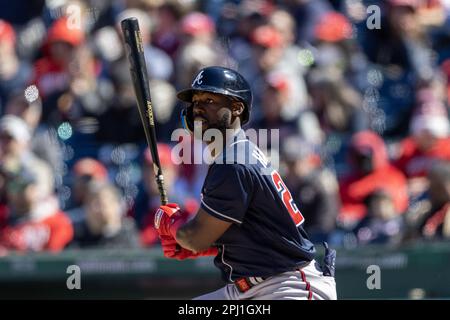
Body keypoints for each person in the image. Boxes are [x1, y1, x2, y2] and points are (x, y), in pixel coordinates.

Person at [153, 66, 337, 300]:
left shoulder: (234, 162)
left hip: (288, 288)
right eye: (195, 101)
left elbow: (195, 237)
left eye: (209, 99)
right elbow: (252, 232)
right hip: (254, 286)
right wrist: (206, 245)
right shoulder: (235, 155)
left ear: (237, 108)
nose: (198, 107)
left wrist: (173, 225)